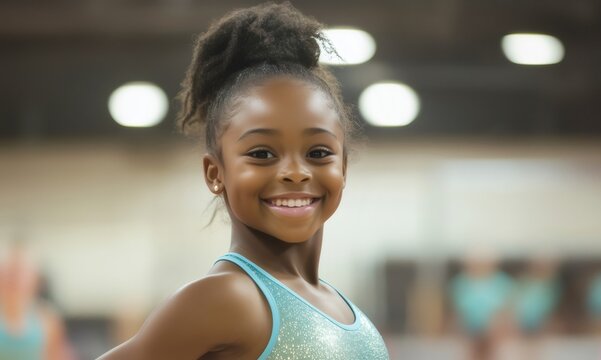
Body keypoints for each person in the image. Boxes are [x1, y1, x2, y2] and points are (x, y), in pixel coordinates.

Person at [98, 2, 389, 359]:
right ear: (215, 173)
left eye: (317, 153)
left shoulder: (346, 311)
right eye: (262, 154)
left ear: (343, 167)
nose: (295, 172)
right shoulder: (226, 299)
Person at [0, 244, 73, 360]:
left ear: (34, 279)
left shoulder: (48, 320)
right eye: (10, 273)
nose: (15, 280)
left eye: (21, 273)